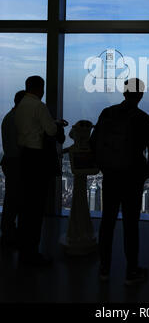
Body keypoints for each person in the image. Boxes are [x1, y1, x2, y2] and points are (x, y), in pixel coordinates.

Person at [89, 78, 149, 285]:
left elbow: (93, 143)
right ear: (141, 95)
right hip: (132, 178)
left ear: (123, 92)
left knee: (107, 223)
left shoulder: (107, 113)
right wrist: (145, 173)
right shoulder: (143, 119)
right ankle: (131, 271)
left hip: (110, 177)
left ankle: (104, 269)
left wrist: (104, 167)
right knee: (131, 225)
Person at [15, 75, 66, 266]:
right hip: (38, 160)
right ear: (39, 88)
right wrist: (57, 124)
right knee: (36, 209)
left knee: (26, 207)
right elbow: (51, 132)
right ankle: (32, 254)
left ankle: (24, 250)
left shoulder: (21, 105)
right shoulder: (38, 106)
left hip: (25, 158)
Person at [0, 90, 26, 246]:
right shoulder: (17, 119)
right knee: (14, 200)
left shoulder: (9, 117)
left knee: (11, 199)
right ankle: (10, 233)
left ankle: (8, 232)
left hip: (10, 162)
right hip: (16, 163)